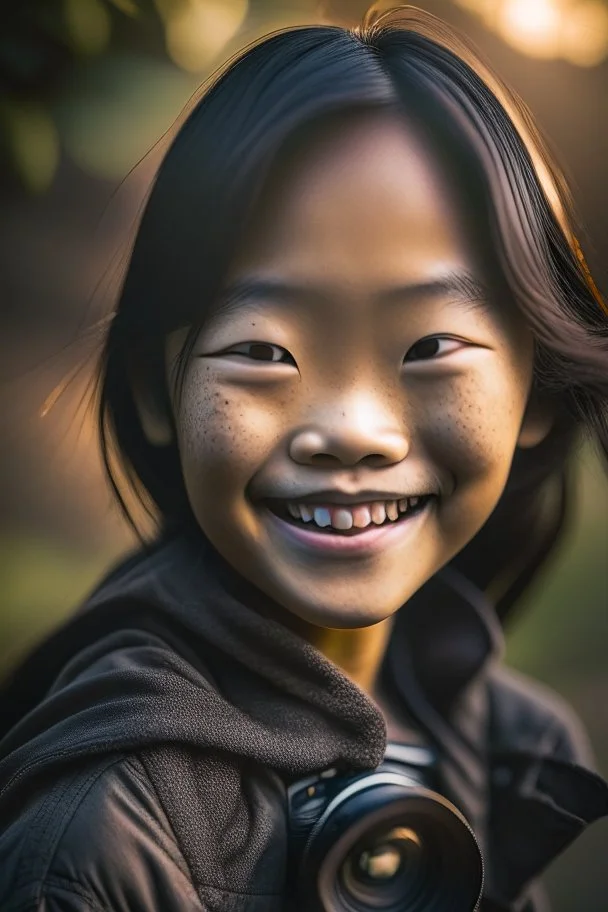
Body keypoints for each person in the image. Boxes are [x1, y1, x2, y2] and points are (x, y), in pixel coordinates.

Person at [0, 5, 607, 911]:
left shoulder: (504, 739)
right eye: (263, 352)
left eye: (431, 345)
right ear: (154, 393)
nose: (354, 428)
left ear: (539, 392)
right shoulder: (103, 836)